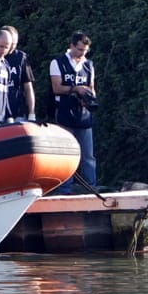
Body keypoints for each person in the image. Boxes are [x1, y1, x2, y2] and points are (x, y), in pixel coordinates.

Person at [50, 31, 97, 194]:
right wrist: (75, 89)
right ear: (71, 45)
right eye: (79, 50)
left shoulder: (88, 64)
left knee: (88, 156)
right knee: (66, 154)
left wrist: (89, 97)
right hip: (65, 112)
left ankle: (91, 187)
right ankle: (64, 188)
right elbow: (56, 88)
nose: (82, 53)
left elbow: (91, 87)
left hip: (84, 114)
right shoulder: (58, 62)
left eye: (85, 51)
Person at [1, 25, 36, 122]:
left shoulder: (20, 58)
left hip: (17, 110)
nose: (12, 47)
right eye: (11, 43)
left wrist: (31, 113)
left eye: (15, 44)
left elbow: (28, 87)